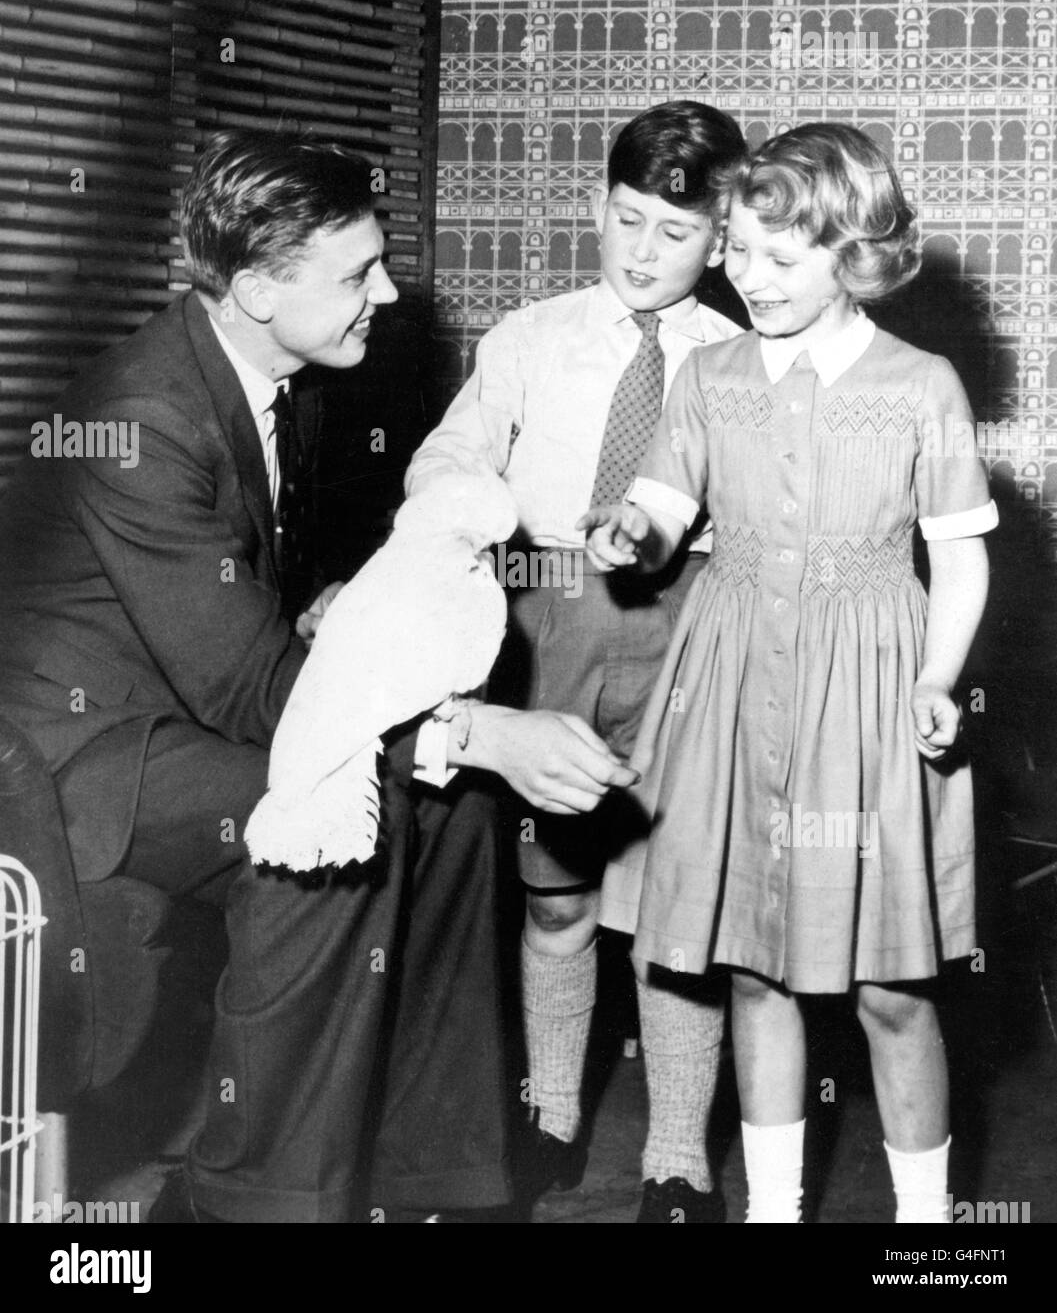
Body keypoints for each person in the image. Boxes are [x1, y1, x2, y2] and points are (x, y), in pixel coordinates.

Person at [0, 131, 636, 1223]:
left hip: (184, 707)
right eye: (357, 274)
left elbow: (242, 624)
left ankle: (436, 1174)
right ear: (253, 288)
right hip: (85, 758)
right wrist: (473, 730)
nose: (386, 294)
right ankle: (244, 1198)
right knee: (335, 819)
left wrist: (331, 616)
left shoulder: (284, 378)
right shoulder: (142, 417)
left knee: (457, 812)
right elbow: (257, 693)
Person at [583, 122, 997, 1223]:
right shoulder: (708, 374)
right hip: (729, 672)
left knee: (889, 988)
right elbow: (668, 507)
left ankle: (923, 1228)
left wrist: (936, 678)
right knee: (754, 968)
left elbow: (958, 556)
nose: (745, 277)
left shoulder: (922, 385)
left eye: (780, 258)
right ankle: (773, 1212)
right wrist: (633, 531)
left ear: (851, 255)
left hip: (865, 688)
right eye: (736, 249)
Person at [406, 101, 747, 1222]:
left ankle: (678, 1158)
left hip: (690, 629)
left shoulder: (744, 358)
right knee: (553, 897)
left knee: (676, 912)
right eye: (626, 219)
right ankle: (549, 1117)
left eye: (677, 233)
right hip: (544, 616)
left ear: (725, 233)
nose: (644, 253)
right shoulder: (526, 338)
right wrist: (451, 508)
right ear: (597, 207)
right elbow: (453, 453)